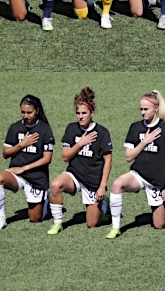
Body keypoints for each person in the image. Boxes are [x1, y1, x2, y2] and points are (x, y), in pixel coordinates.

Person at [106, 90, 165, 239]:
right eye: (141, 109)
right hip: (138, 175)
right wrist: (144, 142)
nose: (142, 112)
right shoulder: (135, 127)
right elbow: (128, 157)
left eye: (146, 109)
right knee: (117, 184)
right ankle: (115, 227)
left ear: (156, 108)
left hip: (157, 181)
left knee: (159, 225)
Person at [47, 87, 113, 234]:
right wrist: (80, 143)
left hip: (93, 180)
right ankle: (58, 223)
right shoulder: (71, 129)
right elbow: (65, 157)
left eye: (84, 113)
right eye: (78, 113)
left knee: (92, 224)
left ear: (92, 113)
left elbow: (108, 161)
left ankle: (104, 206)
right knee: (56, 185)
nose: (80, 116)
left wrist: (102, 186)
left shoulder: (102, 132)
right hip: (74, 175)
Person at [0, 95, 54, 231]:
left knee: (35, 219)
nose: (25, 115)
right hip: (16, 174)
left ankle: (45, 201)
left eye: (29, 112)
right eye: (23, 112)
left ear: (37, 110)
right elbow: (5, 153)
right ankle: (1, 219)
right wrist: (21, 145)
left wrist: (24, 168)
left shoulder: (45, 130)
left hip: (36, 177)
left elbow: (47, 159)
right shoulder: (15, 128)